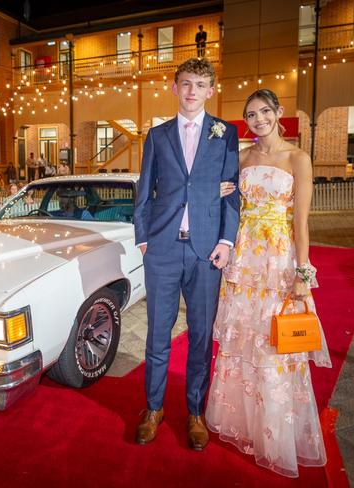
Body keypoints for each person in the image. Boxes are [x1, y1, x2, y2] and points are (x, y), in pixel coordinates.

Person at [205, 89, 331, 477]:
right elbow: (225, 201)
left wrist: (302, 272)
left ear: (278, 113)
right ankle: (239, 421)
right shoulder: (241, 158)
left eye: (264, 112)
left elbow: (301, 222)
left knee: (273, 342)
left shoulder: (298, 158)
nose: (258, 119)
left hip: (277, 261)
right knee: (243, 337)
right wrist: (221, 190)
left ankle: (275, 430)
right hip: (244, 260)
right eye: (251, 114)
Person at [133, 58, 239, 450]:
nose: (192, 90)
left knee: (200, 336)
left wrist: (226, 242)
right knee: (157, 335)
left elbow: (233, 191)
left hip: (206, 252)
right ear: (174, 88)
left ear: (211, 90)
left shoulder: (225, 133)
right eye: (185, 83)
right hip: (161, 249)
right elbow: (143, 192)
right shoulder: (157, 136)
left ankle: (195, 412)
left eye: (200, 84)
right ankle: (154, 408)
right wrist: (144, 240)